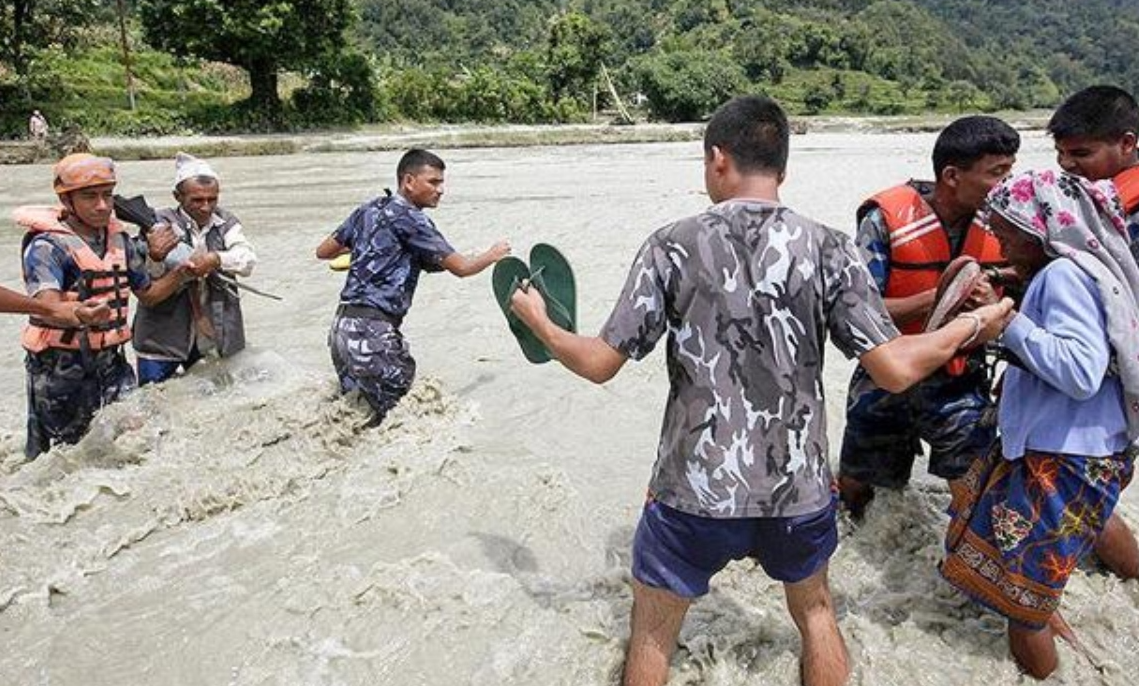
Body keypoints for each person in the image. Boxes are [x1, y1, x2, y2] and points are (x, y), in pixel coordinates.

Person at [507, 96, 1013, 686]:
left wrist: (540, 322)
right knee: (818, 613)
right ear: (783, 167)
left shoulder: (671, 244)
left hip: (693, 491)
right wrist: (973, 324)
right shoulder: (828, 247)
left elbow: (599, 364)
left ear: (718, 159)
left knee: (651, 633)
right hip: (797, 492)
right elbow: (895, 369)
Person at [939, 170, 1139, 679]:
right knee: (1041, 578)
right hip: (1086, 448)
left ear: (1038, 230)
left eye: (1005, 232)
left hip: (1060, 457)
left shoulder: (1063, 277)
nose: (999, 242)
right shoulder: (1085, 268)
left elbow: (1080, 373)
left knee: (1022, 605)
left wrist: (1007, 323)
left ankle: (1048, 674)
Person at [837, 116, 1020, 516]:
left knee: (976, 491)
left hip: (961, 379)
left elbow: (1030, 298)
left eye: (1010, 171)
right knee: (855, 490)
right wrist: (945, 296)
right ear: (952, 175)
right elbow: (856, 311)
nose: (1007, 185)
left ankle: (965, 567)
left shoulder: (1010, 220)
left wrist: (993, 299)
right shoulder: (884, 220)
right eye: (996, 173)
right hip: (886, 375)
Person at [1047, 84, 1139, 580]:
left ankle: (1135, 583)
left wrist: (1080, 315)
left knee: (1086, 483)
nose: (1068, 166)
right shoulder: (1102, 196)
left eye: (1081, 153)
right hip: (1109, 366)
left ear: (1126, 144)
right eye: (1061, 155)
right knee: (1082, 481)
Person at [315, 149, 510, 424]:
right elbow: (462, 269)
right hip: (373, 335)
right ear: (408, 181)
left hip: (341, 331)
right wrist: (493, 254)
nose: (441, 190)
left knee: (359, 419)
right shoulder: (412, 219)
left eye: (441, 182)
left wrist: (368, 251)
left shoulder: (367, 209)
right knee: (404, 420)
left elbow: (324, 252)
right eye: (433, 182)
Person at [18, 153, 188, 459]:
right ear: (67, 201)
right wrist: (79, 314)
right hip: (60, 367)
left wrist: (179, 270)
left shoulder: (119, 240)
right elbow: (47, 306)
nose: (102, 205)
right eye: (89, 197)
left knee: (141, 435)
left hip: (112, 362)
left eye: (107, 196)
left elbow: (148, 294)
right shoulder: (46, 247)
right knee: (61, 455)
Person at [132, 152, 258, 384]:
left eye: (212, 199)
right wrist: (156, 256)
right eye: (197, 200)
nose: (206, 207)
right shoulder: (157, 223)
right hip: (162, 334)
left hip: (215, 329)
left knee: (219, 397)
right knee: (153, 397)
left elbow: (247, 260)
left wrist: (215, 259)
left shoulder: (226, 222)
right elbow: (144, 280)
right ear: (178, 197)